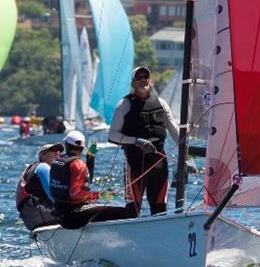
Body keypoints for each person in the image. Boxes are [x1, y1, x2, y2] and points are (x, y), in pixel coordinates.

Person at [108, 66, 179, 216]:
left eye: (145, 77)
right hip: (135, 163)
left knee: (160, 209)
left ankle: (159, 236)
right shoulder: (124, 105)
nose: (143, 80)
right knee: (132, 210)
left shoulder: (162, 103)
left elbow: (176, 133)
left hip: (159, 162)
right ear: (133, 84)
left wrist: (187, 156)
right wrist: (137, 141)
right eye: (138, 78)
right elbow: (112, 135)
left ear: (151, 81)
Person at [50, 130, 131, 229]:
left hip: (60, 213)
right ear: (82, 148)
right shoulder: (77, 164)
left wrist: (90, 158)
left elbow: (84, 184)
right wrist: (101, 195)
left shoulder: (57, 160)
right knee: (125, 212)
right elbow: (74, 194)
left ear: (66, 145)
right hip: (73, 216)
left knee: (99, 206)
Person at [16, 142, 63, 230]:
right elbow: (53, 195)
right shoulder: (43, 167)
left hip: (32, 218)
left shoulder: (34, 168)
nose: (57, 153)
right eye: (53, 150)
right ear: (42, 155)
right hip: (40, 215)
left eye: (59, 151)